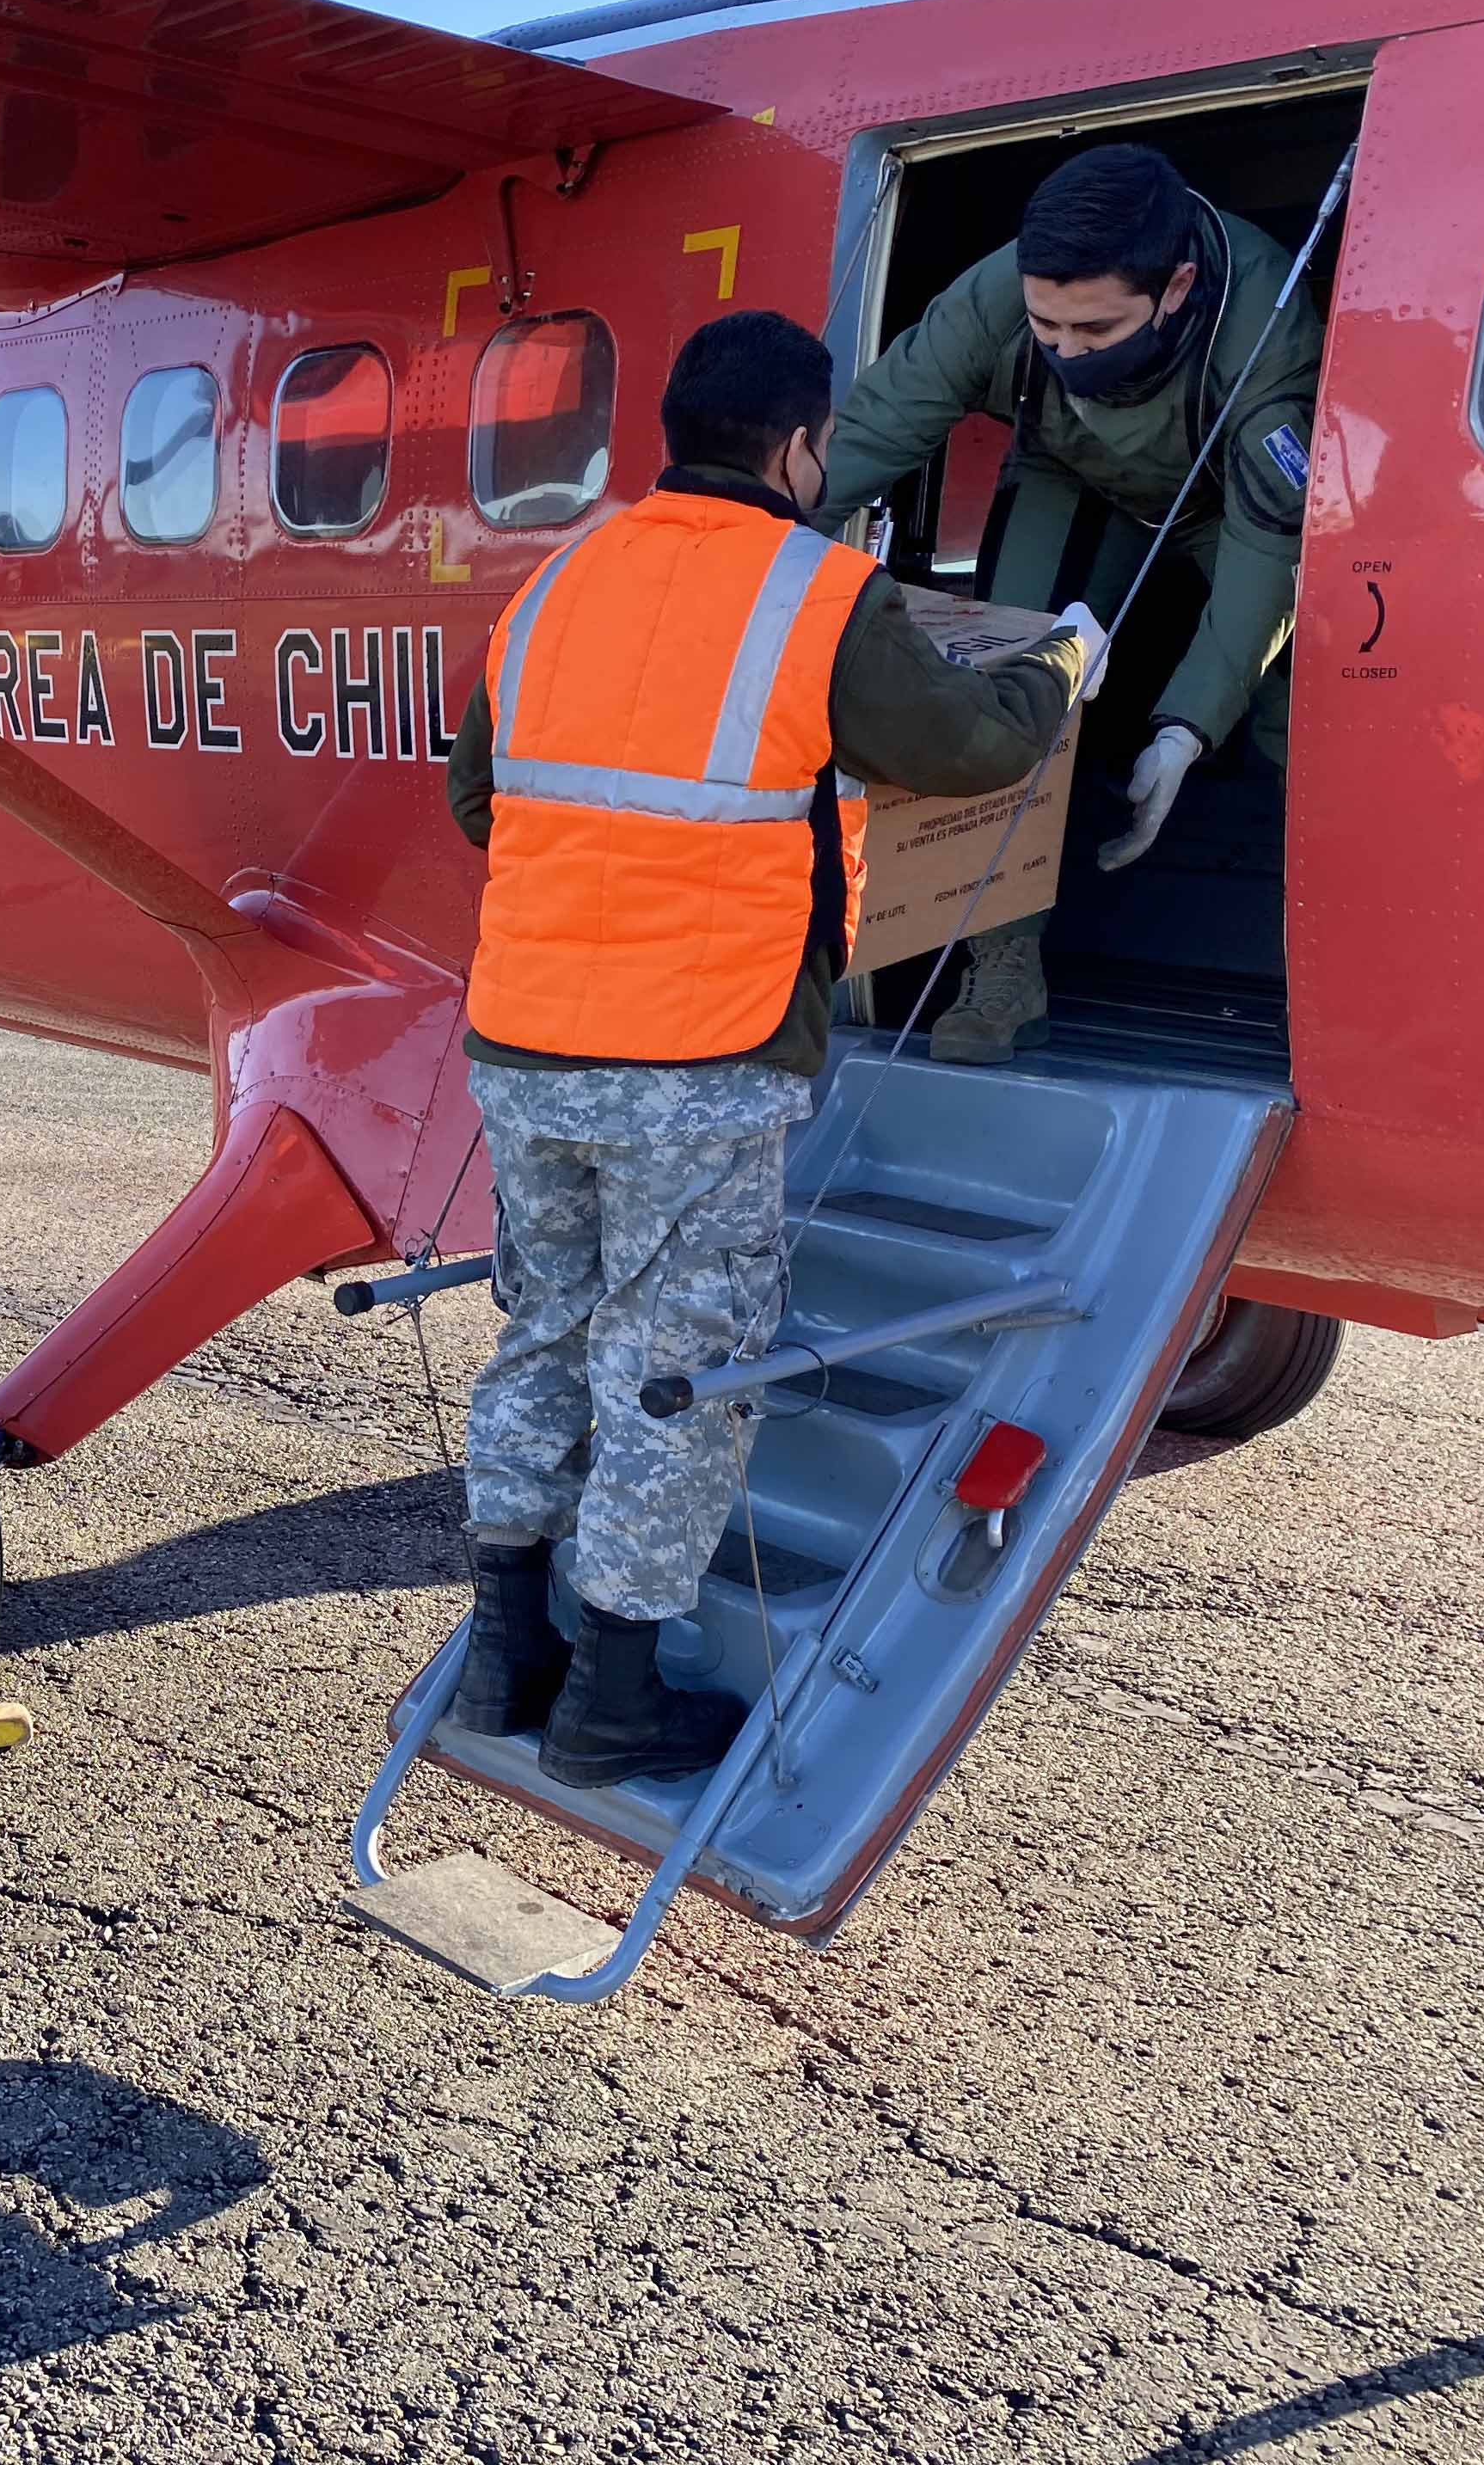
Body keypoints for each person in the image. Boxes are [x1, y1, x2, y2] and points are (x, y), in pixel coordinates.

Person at [445, 312, 1101, 1782]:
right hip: (694, 1051)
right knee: (672, 1372)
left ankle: (506, 1649)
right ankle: (612, 1697)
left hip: (524, 1041)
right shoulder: (820, 594)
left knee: (543, 1328)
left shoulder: (552, 584)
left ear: (670, 435)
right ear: (801, 448)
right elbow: (966, 747)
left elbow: (482, 803)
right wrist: (1061, 666)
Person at [817, 140, 1321, 1061]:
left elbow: (1267, 549)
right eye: (1047, 331)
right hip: (1069, 473)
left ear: (1174, 289)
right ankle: (1003, 966)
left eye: (1093, 333)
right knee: (1004, 680)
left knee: (1301, 694)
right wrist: (737, 542)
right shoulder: (998, 296)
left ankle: (1331, 972)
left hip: (1221, 500)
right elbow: (878, 426)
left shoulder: (1263, 322)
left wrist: (1186, 728)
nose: (1063, 349)